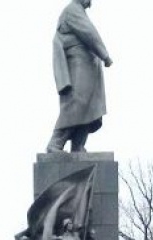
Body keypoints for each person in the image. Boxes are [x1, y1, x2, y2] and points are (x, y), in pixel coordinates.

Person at [46, 0, 112, 154]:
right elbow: (89, 33)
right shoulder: (72, 10)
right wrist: (105, 55)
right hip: (78, 62)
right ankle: (55, 143)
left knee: (89, 106)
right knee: (77, 102)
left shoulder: (79, 10)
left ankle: (78, 145)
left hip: (88, 63)